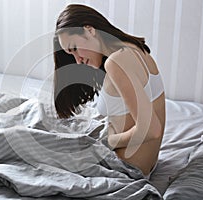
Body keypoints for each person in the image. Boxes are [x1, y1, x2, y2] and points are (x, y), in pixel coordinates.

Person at [52, 4, 165, 177]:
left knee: (33, 148)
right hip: (147, 163)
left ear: (89, 30)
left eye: (75, 49)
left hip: (125, 167)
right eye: (71, 55)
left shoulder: (116, 62)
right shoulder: (136, 49)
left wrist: (106, 142)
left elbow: (151, 129)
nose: (78, 61)